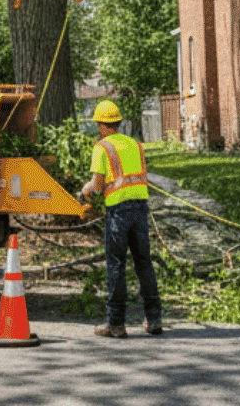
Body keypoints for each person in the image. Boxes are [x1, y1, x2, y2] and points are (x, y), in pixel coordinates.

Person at [77, 100, 162, 337]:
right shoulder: (135, 144)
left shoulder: (102, 147)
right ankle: (154, 319)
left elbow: (96, 184)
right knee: (144, 262)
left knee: (116, 265)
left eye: (98, 125)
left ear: (103, 126)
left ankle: (116, 323)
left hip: (118, 212)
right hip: (140, 209)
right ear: (119, 122)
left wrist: (85, 191)